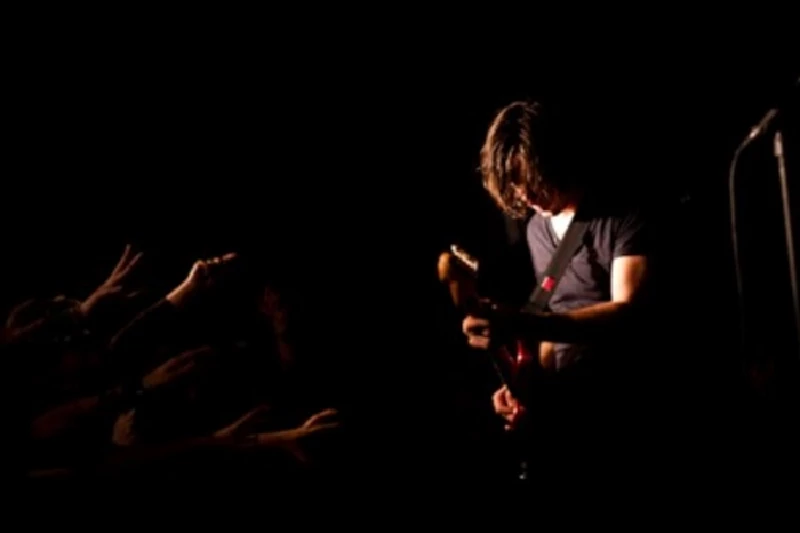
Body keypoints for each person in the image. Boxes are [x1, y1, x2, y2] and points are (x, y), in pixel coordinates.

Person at [460, 100, 657, 479]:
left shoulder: (622, 213)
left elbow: (628, 313)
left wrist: (521, 325)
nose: (525, 196)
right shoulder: (537, 228)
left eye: (530, 180)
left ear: (554, 158)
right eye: (515, 187)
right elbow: (553, 316)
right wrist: (524, 389)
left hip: (622, 416)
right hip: (564, 421)